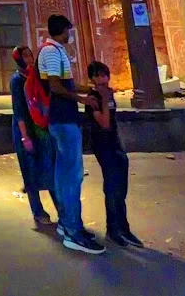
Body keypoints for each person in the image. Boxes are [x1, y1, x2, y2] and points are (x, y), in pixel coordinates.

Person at [37, 14, 106, 254]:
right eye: (69, 30)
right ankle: (73, 231)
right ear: (63, 30)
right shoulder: (52, 52)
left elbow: (65, 83)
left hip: (62, 119)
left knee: (64, 172)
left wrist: (89, 89)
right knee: (72, 175)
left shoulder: (53, 50)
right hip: (63, 119)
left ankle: (67, 224)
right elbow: (56, 87)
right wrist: (82, 99)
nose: (71, 34)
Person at [85, 61, 143, 248]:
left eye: (104, 75)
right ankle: (113, 230)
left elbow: (113, 124)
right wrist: (103, 99)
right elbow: (104, 123)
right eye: (97, 76)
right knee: (111, 187)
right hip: (102, 145)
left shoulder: (108, 95)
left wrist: (107, 98)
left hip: (115, 143)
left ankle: (124, 227)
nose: (102, 79)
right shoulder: (93, 98)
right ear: (92, 79)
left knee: (121, 186)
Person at [10, 46, 59, 226]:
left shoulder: (35, 77)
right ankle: (37, 210)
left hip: (39, 126)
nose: (29, 58)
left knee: (48, 165)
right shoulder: (17, 80)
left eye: (30, 55)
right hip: (26, 128)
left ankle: (60, 208)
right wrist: (25, 137)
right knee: (30, 170)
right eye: (25, 56)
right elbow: (19, 111)